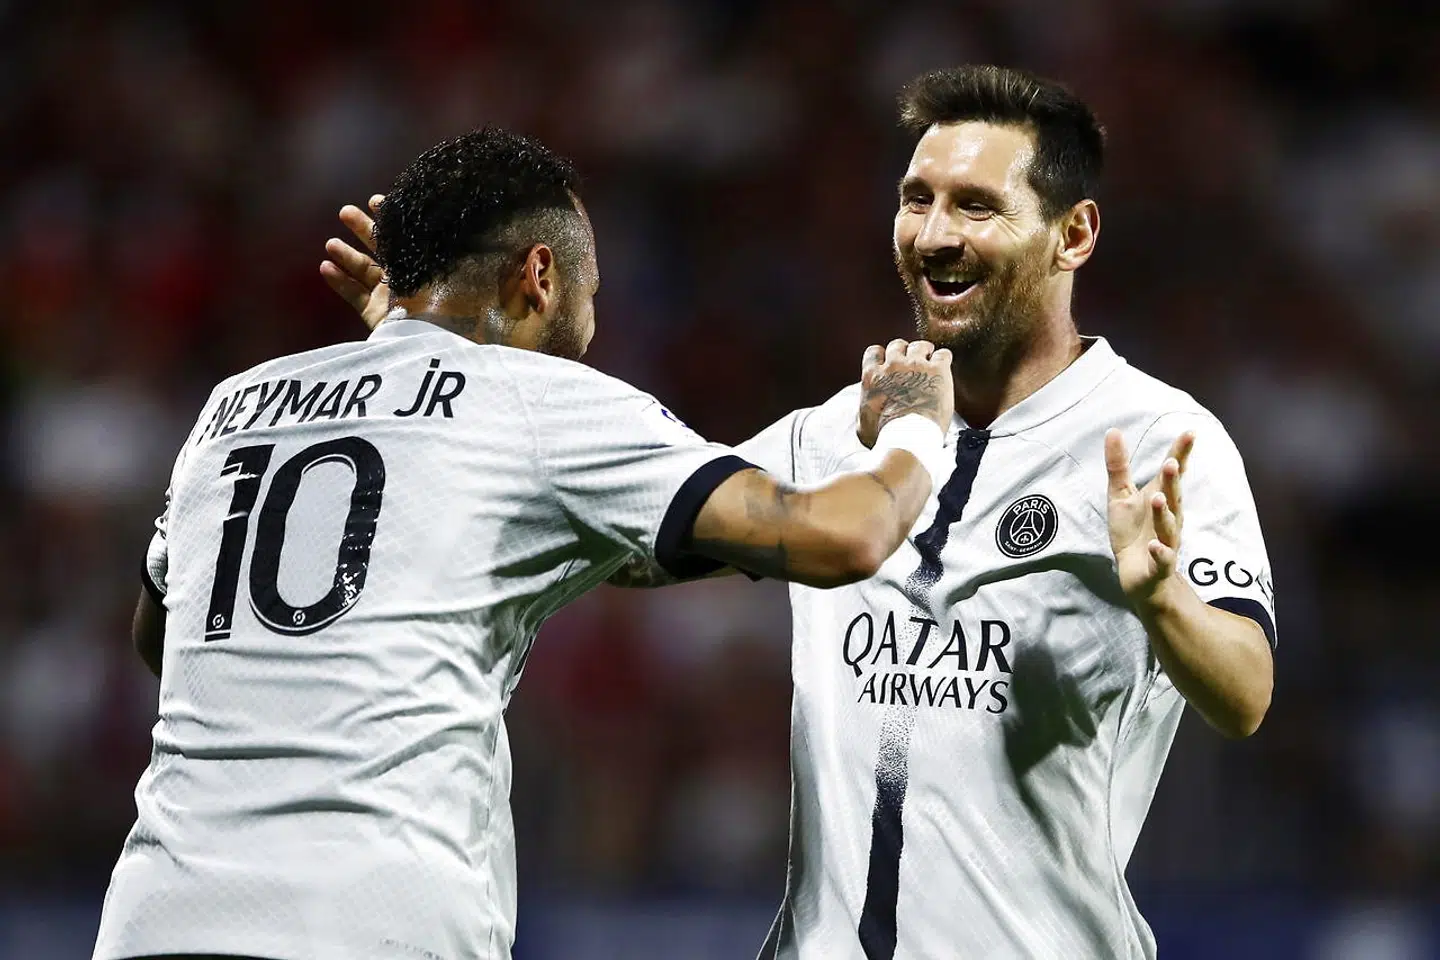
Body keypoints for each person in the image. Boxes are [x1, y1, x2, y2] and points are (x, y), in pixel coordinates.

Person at [328, 65, 1277, 959]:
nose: (935, 233)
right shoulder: (833, 436)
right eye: (917, 200)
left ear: (1073, 235)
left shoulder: (1154, 441)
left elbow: (1244, 693)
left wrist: (1164, 605)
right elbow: (606, 528)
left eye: (976, 206)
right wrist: (427, 356)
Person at [92, 127, 959, 960]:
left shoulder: (232, 407)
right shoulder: (532, 398)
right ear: (539, 275)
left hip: (153, 921)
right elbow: (845, 535)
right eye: (590, 298)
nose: (589, 329)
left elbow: (164, 640)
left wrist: (397, 369)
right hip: (368, 924)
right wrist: (918, 427)